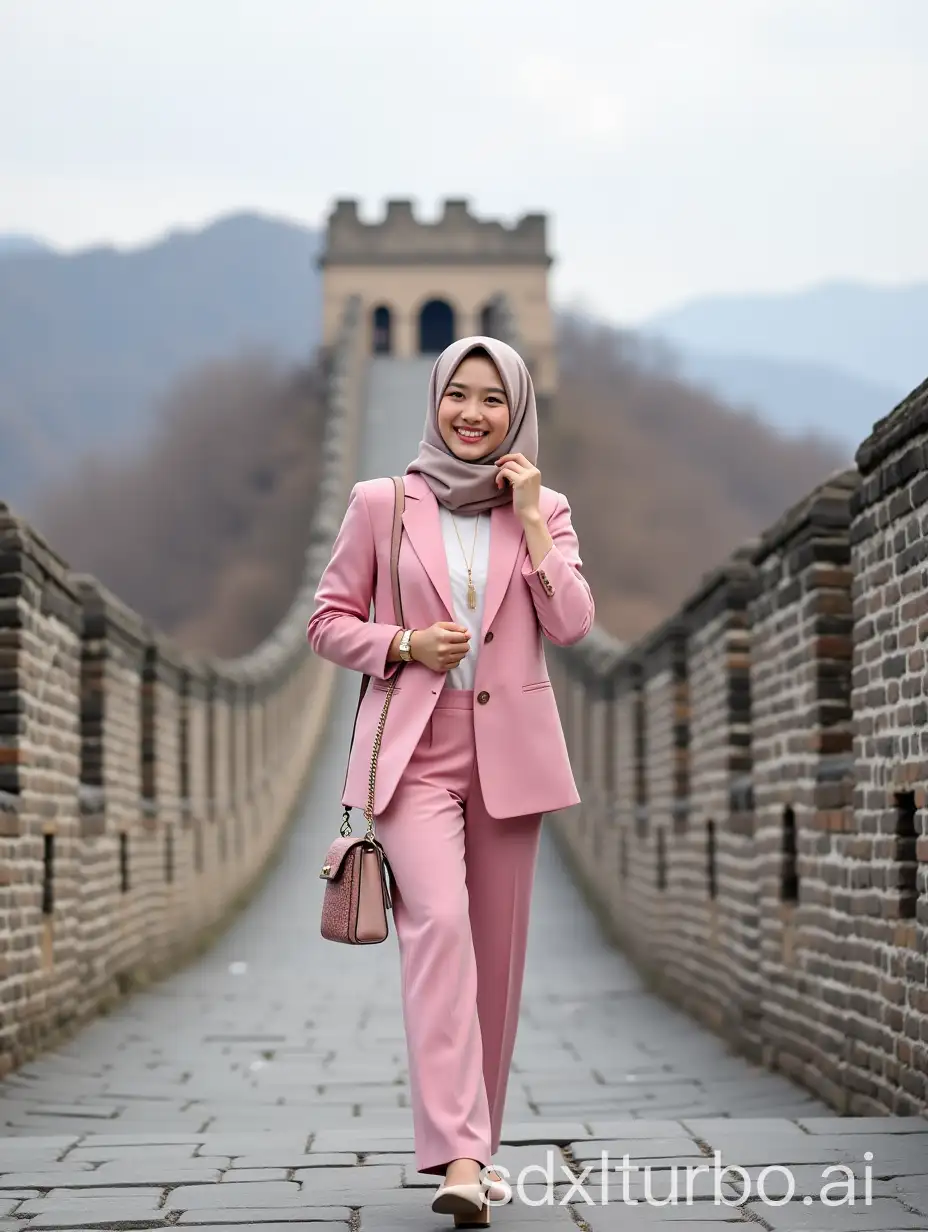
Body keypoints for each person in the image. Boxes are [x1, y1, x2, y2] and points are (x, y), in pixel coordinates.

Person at [307, 335, 593, 1225]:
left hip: (513, 757)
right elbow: (325, 621)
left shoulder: (547, 509)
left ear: (517, 412)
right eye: (456, 395)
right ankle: (458, 1159)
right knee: (439, 933)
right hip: (417, 754)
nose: (471, 414)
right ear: (434, 401)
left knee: (497, 961)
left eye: (492, 400)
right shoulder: (380, 503)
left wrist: (538, 518)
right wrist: (400, 644)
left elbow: (574, 623)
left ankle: (482, 1143)